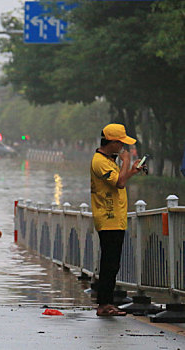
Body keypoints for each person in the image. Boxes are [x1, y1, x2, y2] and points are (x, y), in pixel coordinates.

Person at [90, 124, 141, 316]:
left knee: (113, 263)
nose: (122, 148)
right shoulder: (99, 161)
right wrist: (126, 161)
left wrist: (132, 170)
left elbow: (119, 179)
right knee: (109, 263)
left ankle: (107, 303)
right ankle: (104, 304)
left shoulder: (108, 160)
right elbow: (120, 183)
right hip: (108, 217)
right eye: (121, 143)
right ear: (112, 142)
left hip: (116, 218)